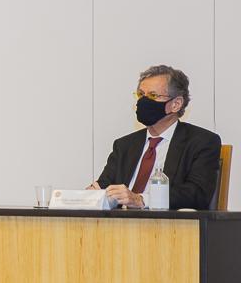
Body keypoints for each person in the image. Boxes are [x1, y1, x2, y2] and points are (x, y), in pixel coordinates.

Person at [90, 65, 221, 210]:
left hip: (167, 223)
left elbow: (197, 194)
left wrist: (141, 200)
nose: (143, 102)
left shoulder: (202, 142)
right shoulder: (124, 145)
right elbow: (103, 187)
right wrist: (93, 195)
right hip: (120, 222)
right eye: (141, 95)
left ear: (176, 104)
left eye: (153, 95)